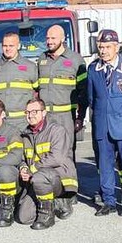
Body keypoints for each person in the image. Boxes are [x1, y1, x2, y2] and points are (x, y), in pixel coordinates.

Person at [87, 30, 122, 216]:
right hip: (102, 125)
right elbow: (92, 98)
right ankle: (108, 200)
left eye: (108, 47)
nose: (103, 51)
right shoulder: (93, 69)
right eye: (101, 47)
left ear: (117, 47)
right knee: (105, 166)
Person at [18, 99, 78, 230]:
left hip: (58, 179)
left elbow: (56, 158)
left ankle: (48, 214)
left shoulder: (56, 130)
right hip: (37, 178)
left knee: (40, 176)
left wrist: (32, 169)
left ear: (44, 113)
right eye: (27, 112)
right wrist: (23, 168)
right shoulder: (25, 135)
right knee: (24, 217)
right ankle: (53, 202)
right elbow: (22, 158)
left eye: (34, 111)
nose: (30, 115)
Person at [38, 24, 88, 156]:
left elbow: (84, 92)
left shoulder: (76, 60)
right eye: (47, 38)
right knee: (45, 153)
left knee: (67, 153)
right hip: (45, 117)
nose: (49, 41)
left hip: (66, 118)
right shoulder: (42, 59)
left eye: (53, 38)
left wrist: (80, 117)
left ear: (63, 39)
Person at [0, 30, 39, 128]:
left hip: (24, 121)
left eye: (11, 46)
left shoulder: (30, 67)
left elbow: (38, 92)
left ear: (18, 46)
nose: (8, 49)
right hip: (2, 121)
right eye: (5, 46)